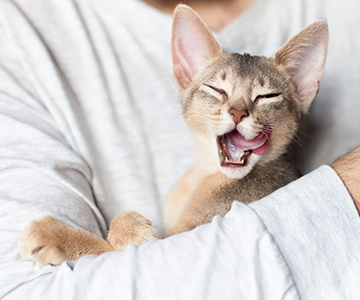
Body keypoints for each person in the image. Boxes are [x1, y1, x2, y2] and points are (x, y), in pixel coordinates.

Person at [0, 0, 360, 299]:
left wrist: (83, 246)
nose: (238, 112)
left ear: (301, 89)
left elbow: (207, 278)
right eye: (217, 93)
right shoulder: (20, 27)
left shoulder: (263, 189)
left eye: (267, 97)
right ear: (187, 74)